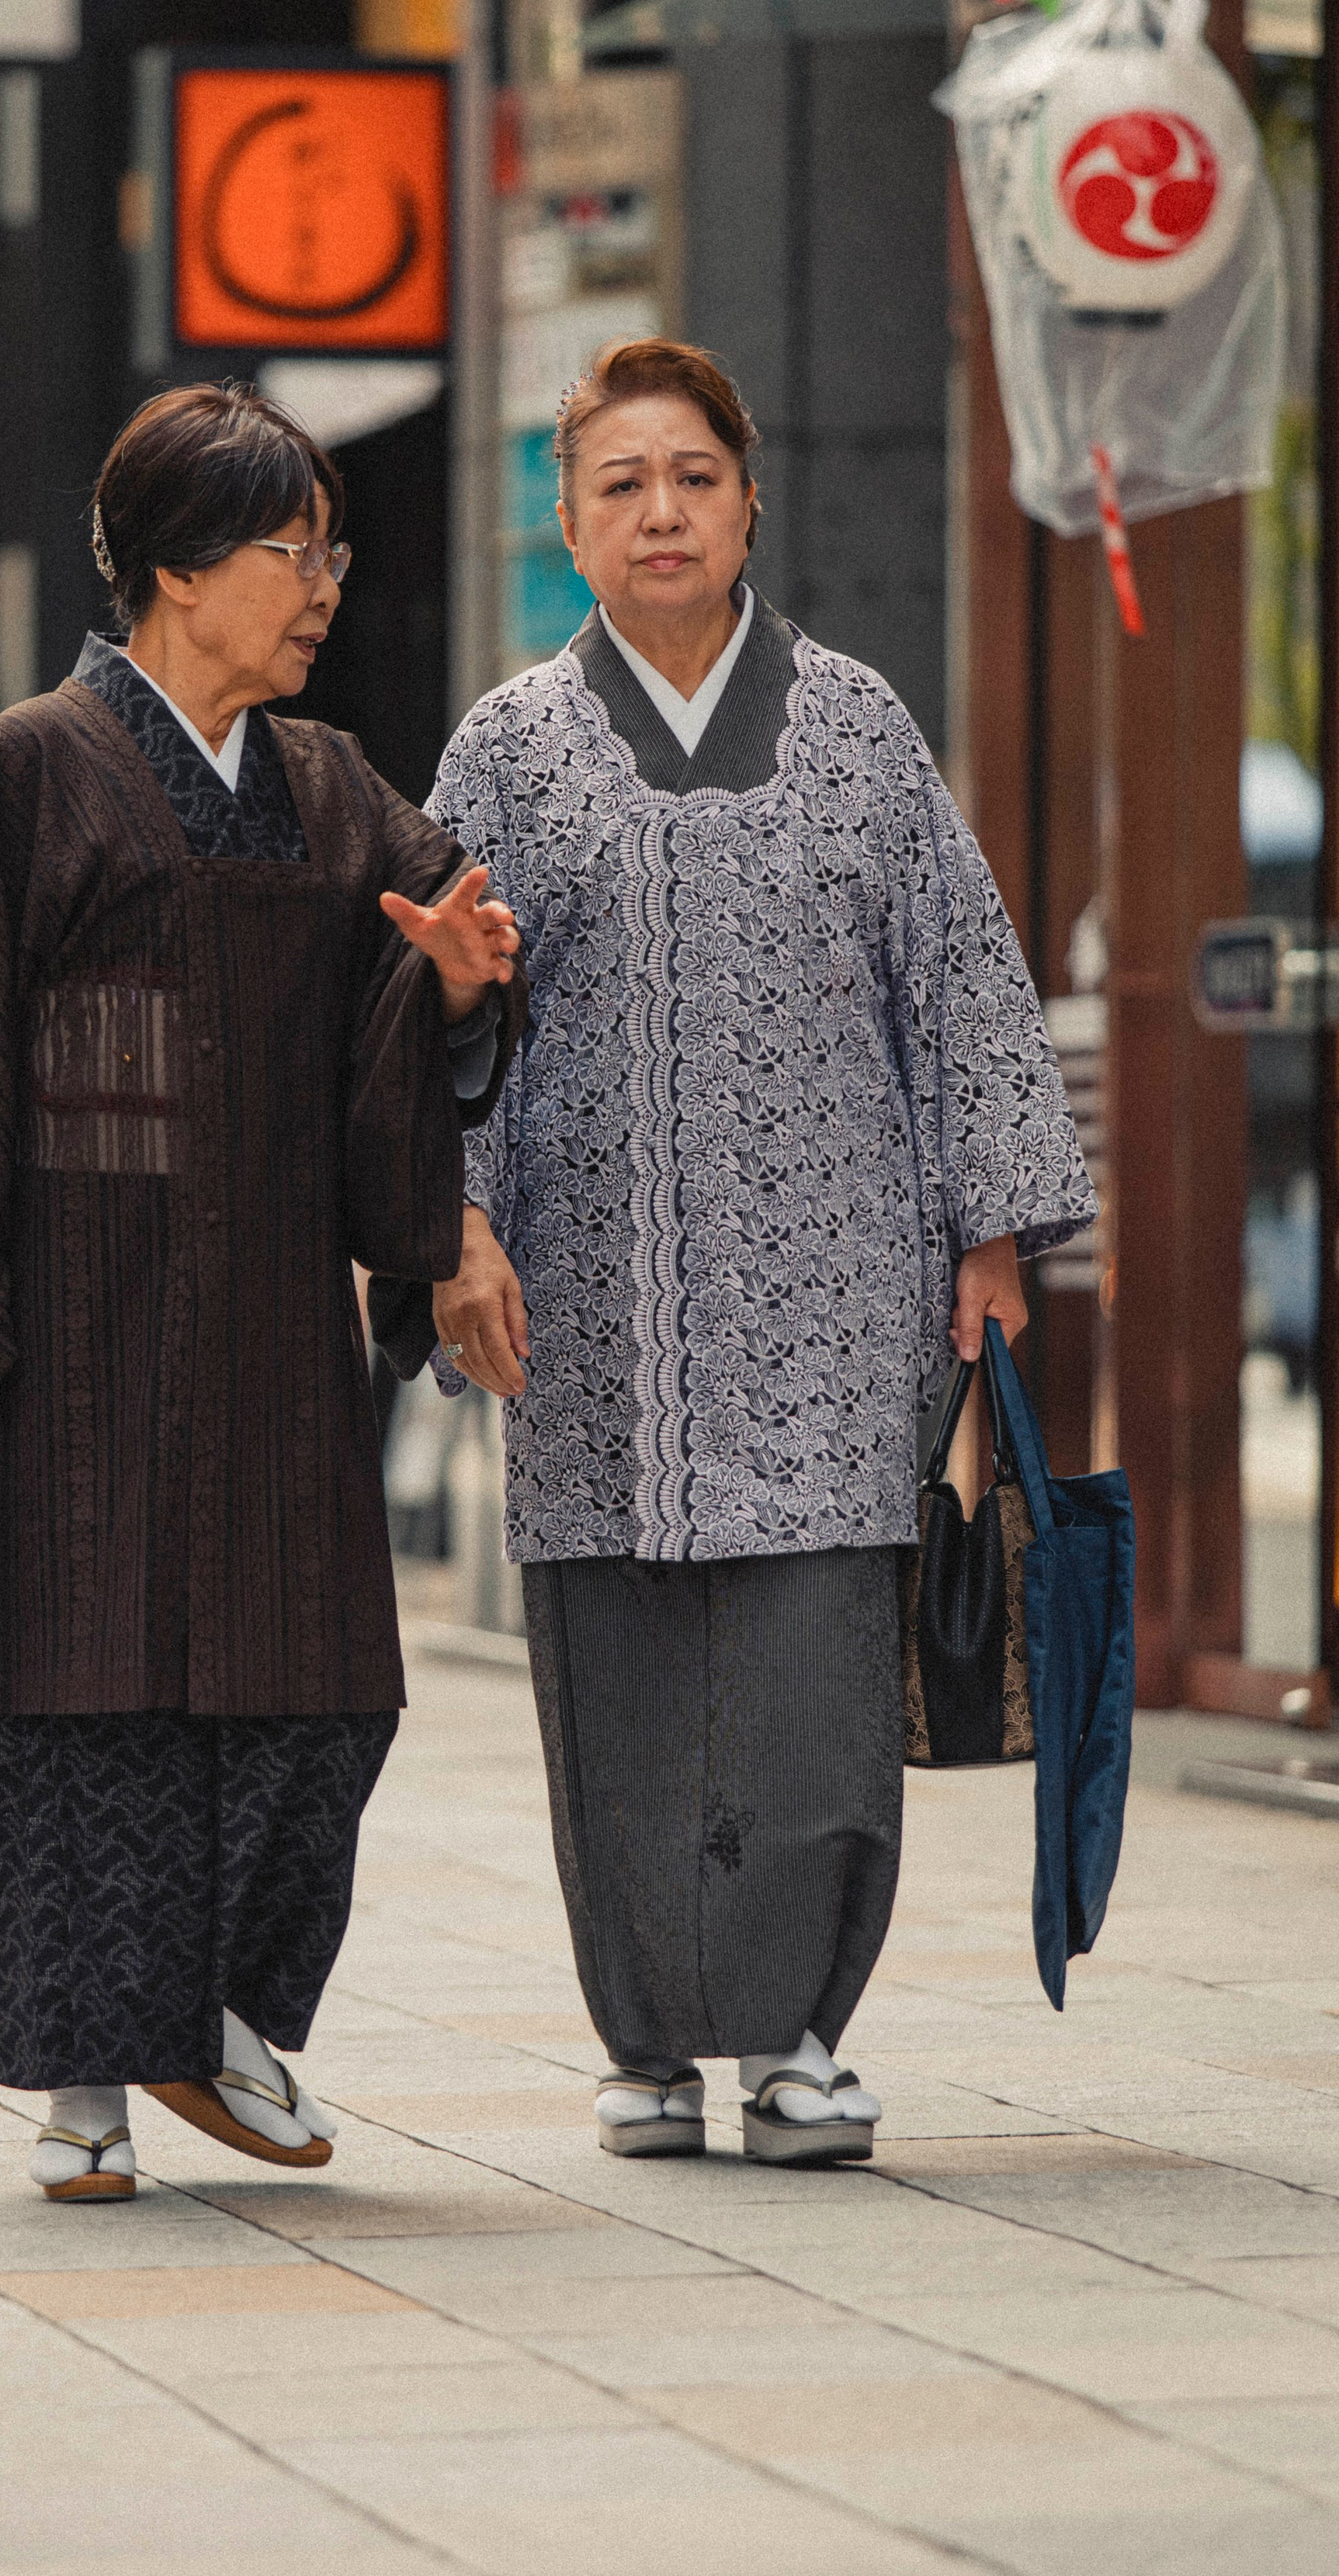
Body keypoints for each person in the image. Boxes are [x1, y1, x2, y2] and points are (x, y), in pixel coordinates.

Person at [0, 382, 524, 2202]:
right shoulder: (27, 766)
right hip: (70, 1310)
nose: (322, 586)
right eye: (291, 550)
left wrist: (453, 976)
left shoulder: (335, 784)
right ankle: (84, 2083)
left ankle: (226, 2021)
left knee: (322, 1684)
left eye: (327, 550)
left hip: (271, 1306)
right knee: (75, 1696)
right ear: (179, 573)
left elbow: (449, 950)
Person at [400, 338, 1094, 2167]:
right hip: (590, 1300)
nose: (658, 512)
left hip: (837, 1288)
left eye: (690, 477)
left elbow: (956, 972)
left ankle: (792, 2036)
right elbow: (442, 1013)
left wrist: (990, 1229)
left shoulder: (858, 723)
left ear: (746, 498)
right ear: (566, 521)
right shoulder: (509, 745)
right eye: (618, 483)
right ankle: (644, 2042)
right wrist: (455, 1222)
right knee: (616, 1671)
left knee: (807, 1681)